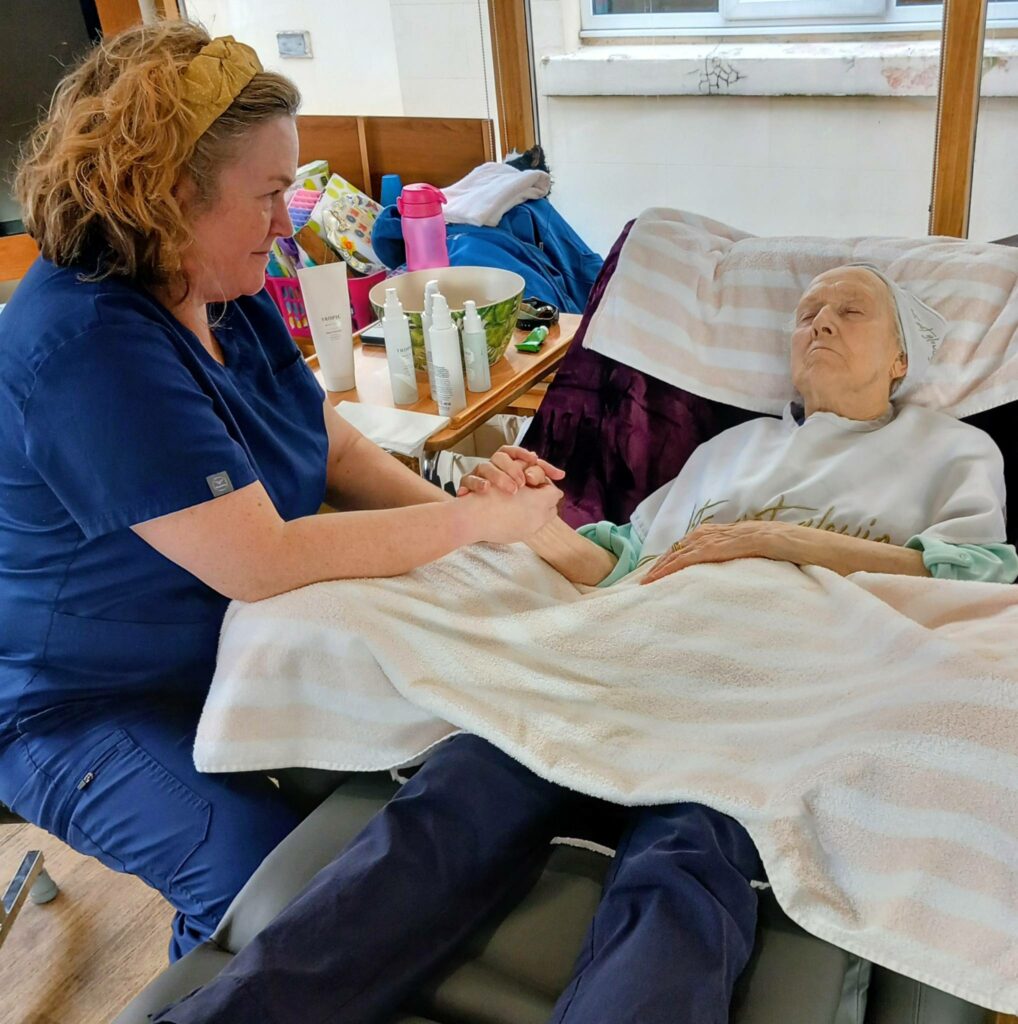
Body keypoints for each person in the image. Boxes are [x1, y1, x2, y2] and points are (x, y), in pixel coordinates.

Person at [152, 265, 1015, 1024]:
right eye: (807, 311)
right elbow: (624, 563)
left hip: (785, 677)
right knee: (463, 789)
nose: (818, 321)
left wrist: (777, 542)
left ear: (904, 360)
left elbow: (973, 574)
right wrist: (527, 526)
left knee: (690, 852)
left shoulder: (952, 450)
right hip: (640, 643)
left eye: (851, 311)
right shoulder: (735, 450)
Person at [0, 22, 561, 961]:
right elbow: (262, 560)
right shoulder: (88, 348)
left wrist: (500, 533)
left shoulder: (221, 282)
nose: (286, 219)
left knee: (410, 805)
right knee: (265, 887)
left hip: (225, 654)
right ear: (167, 195)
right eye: (268, 194)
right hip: (78, 705)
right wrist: (477, 520)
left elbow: (332, 450)